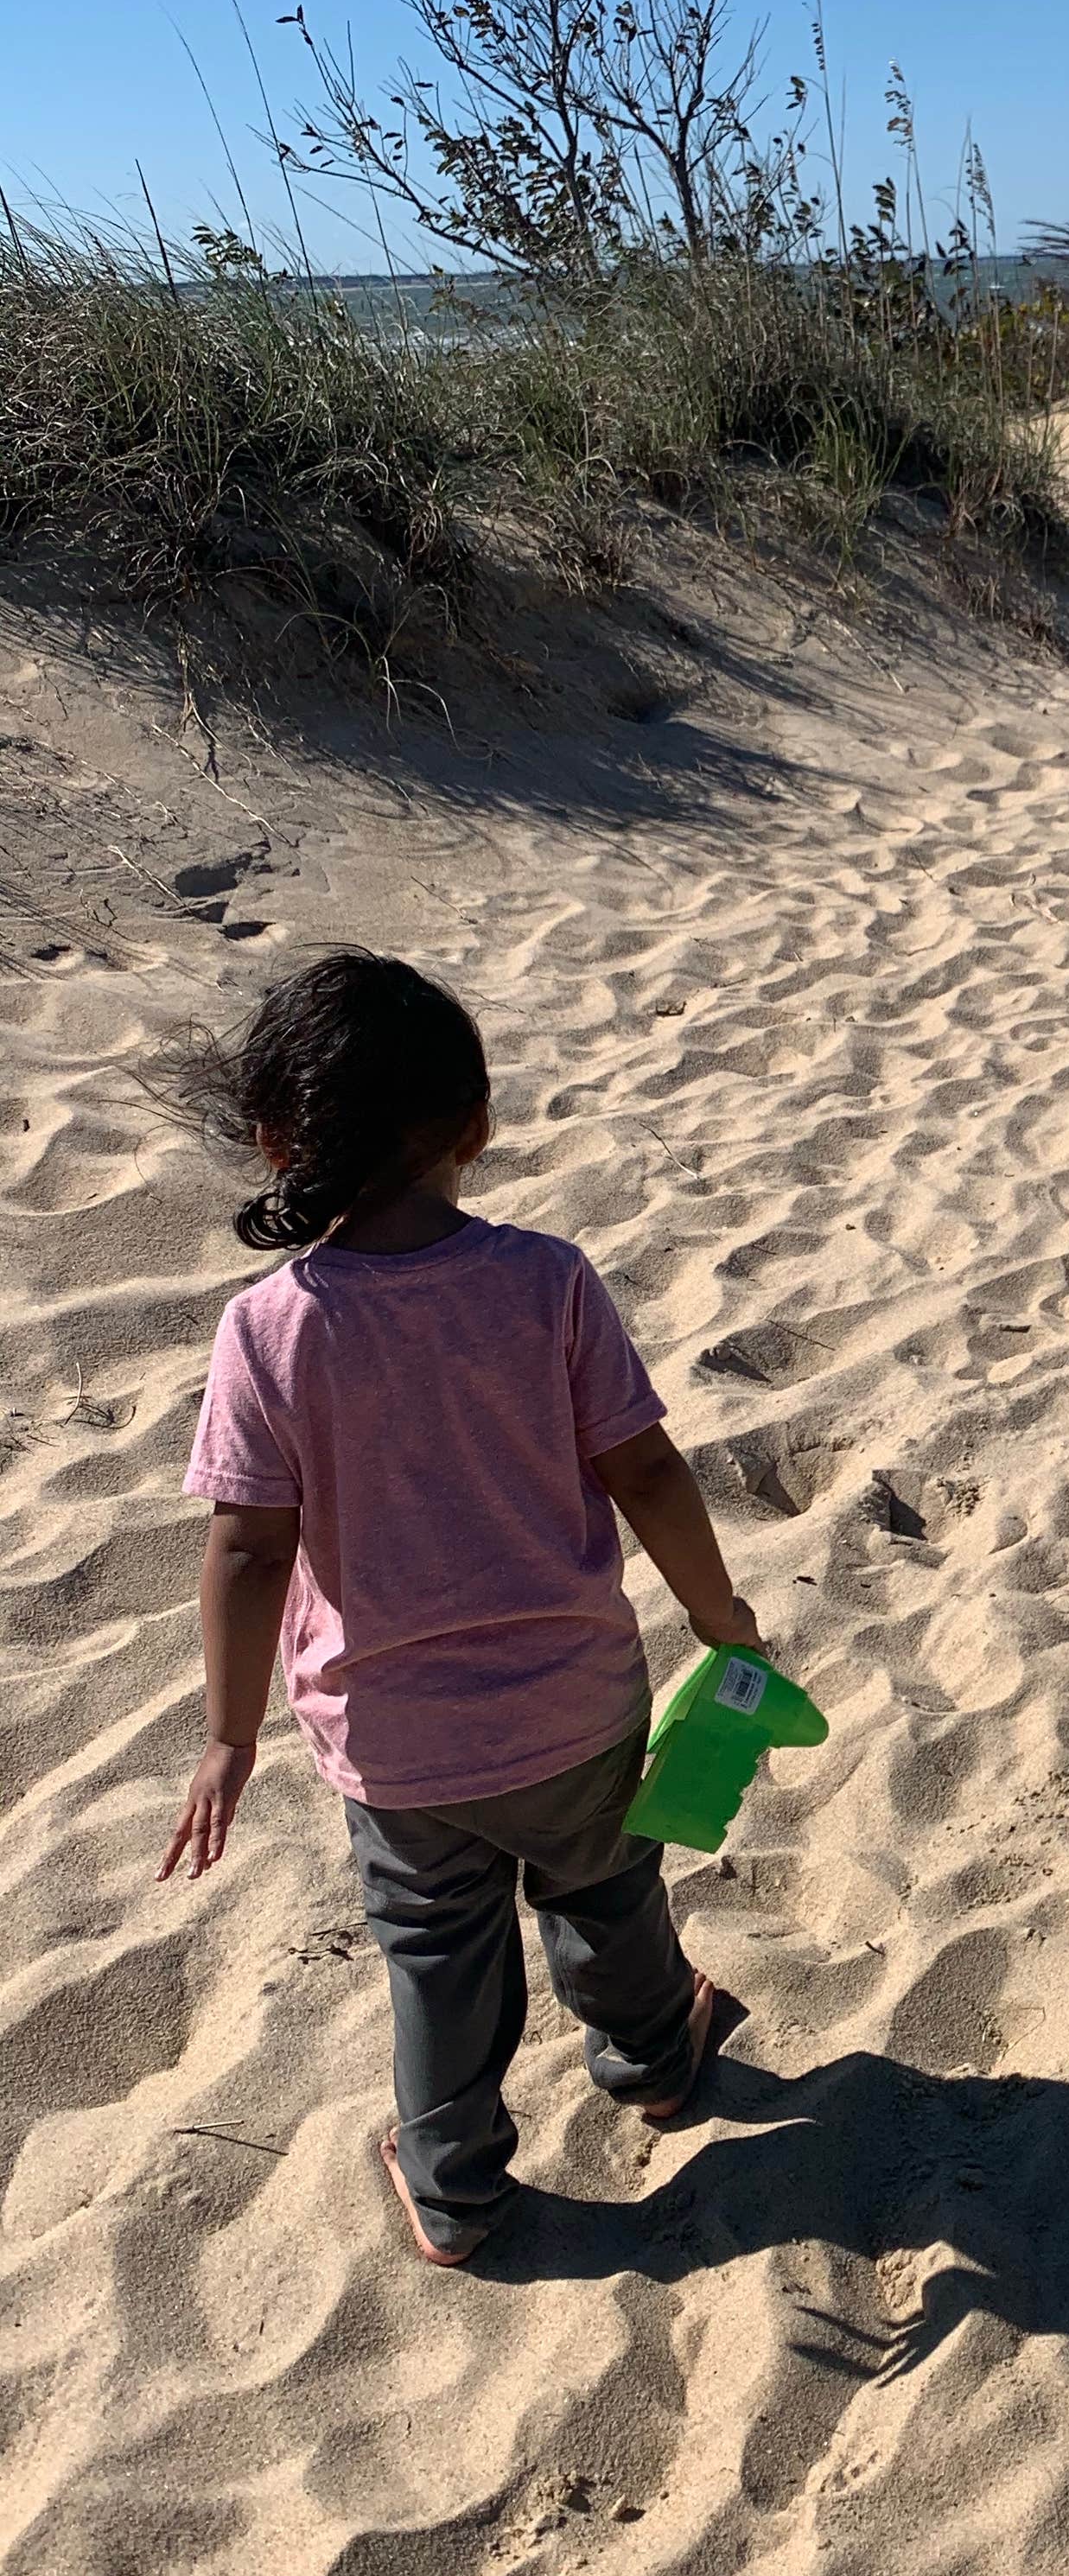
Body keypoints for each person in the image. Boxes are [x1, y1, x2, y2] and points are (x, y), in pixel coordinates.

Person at [159, 951, 760, 2267]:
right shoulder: (546, 1279)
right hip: (575, 1703)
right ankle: (657, 2063)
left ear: (275, 1143)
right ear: (473, 1127)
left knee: (436, 1953)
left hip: (397, 1746)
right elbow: (648, 1471)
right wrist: (720, 1619)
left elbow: (248, 1552)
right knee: (607, 1887)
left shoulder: (269, 1328)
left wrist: (228, 1734)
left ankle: (455, 2189)